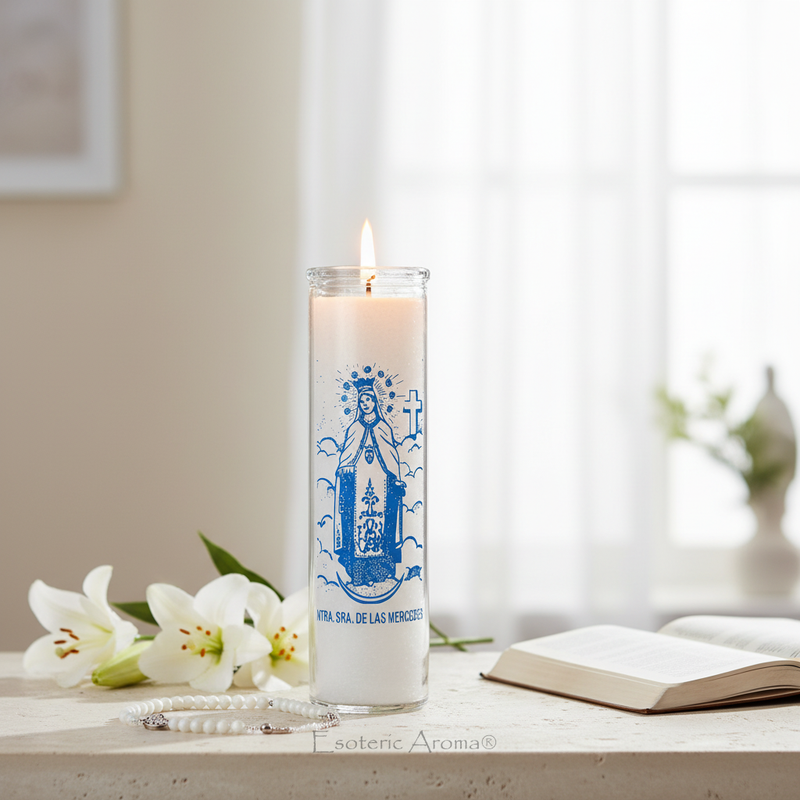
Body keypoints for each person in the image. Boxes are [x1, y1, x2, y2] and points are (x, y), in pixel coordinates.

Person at [333, 380, 404, 588]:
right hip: (357, 488)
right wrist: (344, 470)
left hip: (382, 487)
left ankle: (380, 573)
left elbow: (392, 458)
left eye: (368, 399)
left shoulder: (383, 428)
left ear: (375, 401)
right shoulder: (354, 429)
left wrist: (395, 480)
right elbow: (345, 459)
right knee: (356, 530)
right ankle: (360, 575)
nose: (365, 404)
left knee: (383, 528)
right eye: (361, 401)